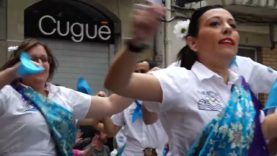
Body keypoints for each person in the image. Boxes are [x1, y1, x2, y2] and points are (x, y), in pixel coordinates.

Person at [104, 4, 277, 155]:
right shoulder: (180, 80)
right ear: (193, 43)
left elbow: (258, 137)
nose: (227, 28)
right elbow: (118, 83)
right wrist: (137, 41)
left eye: (232, 25)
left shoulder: (242, 93)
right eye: (215, 23)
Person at [0, 39, 135, 156]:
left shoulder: (62, 95)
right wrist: (12, 73)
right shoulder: (8, 94)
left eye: (44, 59)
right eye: (33, 59)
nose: (39, 63)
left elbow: (111, 104)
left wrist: (149, 82)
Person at [103, 60, 168, 156]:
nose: (139, 76)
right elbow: (111, 132)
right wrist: (103, 111)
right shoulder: (123, 99)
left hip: (158, 152)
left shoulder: (163, 98)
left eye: (143, 72)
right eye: (136, 72)